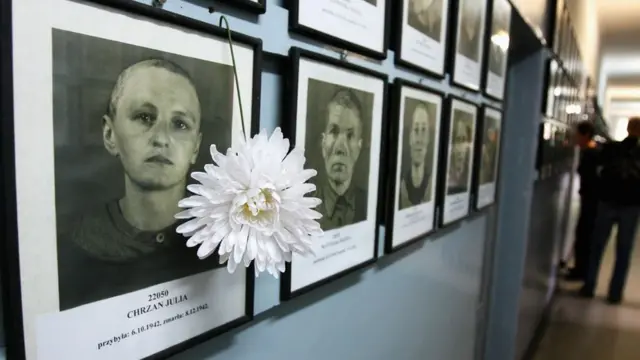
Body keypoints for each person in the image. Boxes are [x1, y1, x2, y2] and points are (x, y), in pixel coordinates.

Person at [57, 59, 218, 310]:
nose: (161, 138)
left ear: (196, 147)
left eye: (180, 124)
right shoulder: (69, 252)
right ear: (110, 134)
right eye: (144, 117)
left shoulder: (221, 240)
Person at [580, 117, 640, 304]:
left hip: (608, 203)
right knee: (623, 251)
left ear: (628, 128)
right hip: (631, 206)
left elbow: (597, 171)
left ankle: (589, 286)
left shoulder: (612, 148)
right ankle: (615, 293)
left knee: (597, 247)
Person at [314, 88, 368, 231]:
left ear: (359, 147)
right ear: (323, 143)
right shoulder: (306, 205)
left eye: (350, 135)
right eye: (334, 131)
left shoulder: (369, 205)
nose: (340, 148)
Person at [565, 121, 600, 281]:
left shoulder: (591, 154)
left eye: (577, 134)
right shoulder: (593, 152)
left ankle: (582, 271)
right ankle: (581, 270)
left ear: (585, 135)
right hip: (590, 200)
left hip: (591, 202)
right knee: (584, 235)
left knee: (585, 236)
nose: (574, 137)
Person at [399, 103, 432, 209]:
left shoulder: (433, 187)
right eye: (416, 130)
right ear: (410, 138)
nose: (419, 139)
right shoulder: (400, 187)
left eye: (423, 130)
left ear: (428, 138)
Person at [447, 112, 472, 194]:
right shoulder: (446, 173)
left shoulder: (470, 172)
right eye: (458, 140)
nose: (461, 147)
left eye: (464, 140)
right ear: (452, 146)